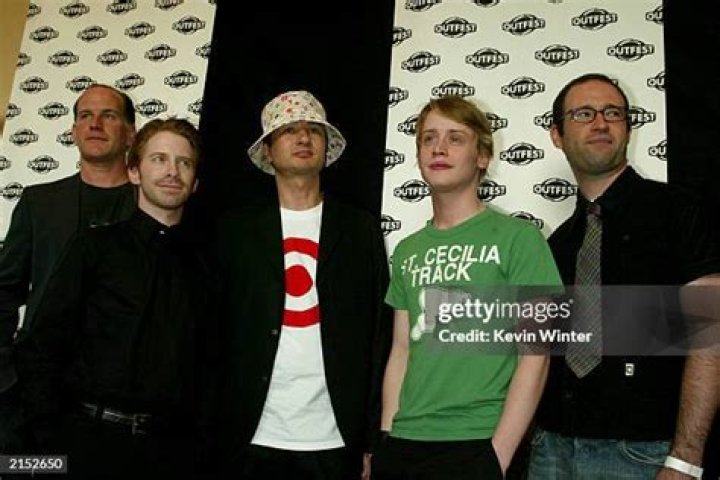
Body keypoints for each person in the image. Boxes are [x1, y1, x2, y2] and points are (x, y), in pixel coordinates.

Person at [527, 73, 720, 480]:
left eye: (612, 112)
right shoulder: (556, 244)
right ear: (557, 135)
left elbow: (711, 334)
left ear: (628, 128)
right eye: (584, 114)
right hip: (550, 452)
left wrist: (685, 459)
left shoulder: (677, 211)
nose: (600, 122)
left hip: (644, 456)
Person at [372, 95, 562, 480]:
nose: (439, 148)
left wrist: (498, 455)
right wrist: (388, 433)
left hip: (479, 441)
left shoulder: (520, 239)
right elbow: (402, 348)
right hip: (405, 444)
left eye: (455, 138)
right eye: (429, 138)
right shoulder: (408, 249)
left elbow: (537, 355)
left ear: (482, 156)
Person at [15, 117, 214, 479]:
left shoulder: (207, 267)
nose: (172, 171)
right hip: (84, 446)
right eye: (159, 159)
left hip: (172, 456)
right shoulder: (92, 248)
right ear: (134, 172)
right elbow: (42, 346)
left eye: (184, 163)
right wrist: (49, 440)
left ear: (196, 182)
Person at [213, 90, 391, 479]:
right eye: (289, 130)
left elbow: (379, 335)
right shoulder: (234, 231)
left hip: (334, 438)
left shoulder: (359, 229)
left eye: (314, 130)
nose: (304, 138)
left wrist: (371, 438)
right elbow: (213, 335)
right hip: (249, 436)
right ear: (268, 150)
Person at [0, 84, 137, 451]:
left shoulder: (152, 204)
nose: (95, 124)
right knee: (28, 471)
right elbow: (4, 290)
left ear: (130, 133)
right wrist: (6, 373)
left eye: (108, 115)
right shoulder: (39, 203)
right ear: (74, 131)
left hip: (118, 404)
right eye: (85, 116)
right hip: (35, 397)